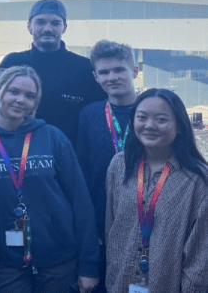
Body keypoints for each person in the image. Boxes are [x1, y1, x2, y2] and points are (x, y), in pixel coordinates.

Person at [0, 65, 99, 293]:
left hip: (58, 261)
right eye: (14, 91)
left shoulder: (53, 137)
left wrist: (89, 264)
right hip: (2, 263)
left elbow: (80, 201)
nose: (21, 100)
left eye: (30, 96)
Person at [105, 89, 208, 293]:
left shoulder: (197, 180)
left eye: (161, 119)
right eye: (142, 117)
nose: (149, 126)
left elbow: (201, 254)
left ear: (179, 126)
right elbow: (111, 226)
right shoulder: (119, 165)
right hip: (120, 283)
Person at [0, 0, 106, 145]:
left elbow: (100, 114)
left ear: (64, 28)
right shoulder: (12, 63)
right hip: (16, 151)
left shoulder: (85, 68)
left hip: (70, 152)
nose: (48, 28)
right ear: (29, 26)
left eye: (55, 23)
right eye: (40, 22)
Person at [75, 40, 138, 292]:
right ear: (96, 77)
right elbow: (83, 174)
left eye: (119, 70)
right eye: (104, 72)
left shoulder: (153, 110)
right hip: (102, 225)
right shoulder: (89, 114)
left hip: (146, 219)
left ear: (134, 71)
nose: (112, 77)